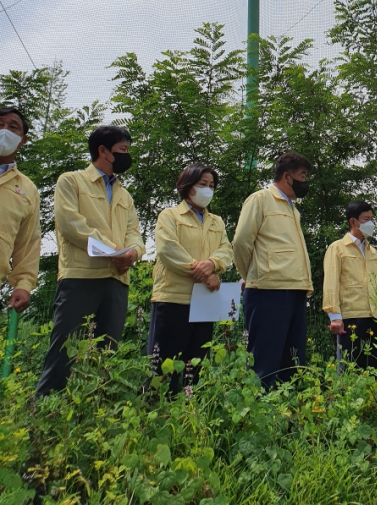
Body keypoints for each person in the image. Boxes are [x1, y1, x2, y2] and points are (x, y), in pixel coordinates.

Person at [36, 125, 145, 396]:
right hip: (80, 277)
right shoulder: (71, 181)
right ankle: (46, 410)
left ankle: (95, 412)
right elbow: (71, 225)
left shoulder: (125, 195)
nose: (126, 156)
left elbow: (135, 233)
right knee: (65, 349)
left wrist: (133, 253)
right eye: (122, 150)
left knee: (107, 351)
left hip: (117, 280)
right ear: (103, 151)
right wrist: (115, 250)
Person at [148, 163, 233, 392]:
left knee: (196, 362)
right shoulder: (170, 216)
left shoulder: (217, 221)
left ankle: (189, 412)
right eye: (202, 184)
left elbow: (226, 250)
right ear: (187, 186)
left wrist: (213, 264)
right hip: (174, 297)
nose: (208, 189)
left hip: (205, 301)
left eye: (212, 185)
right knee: (164, 363)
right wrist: (202, 271)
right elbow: (168, 249)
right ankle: (156, 410)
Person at [233, 152, 313, 389]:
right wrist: (250, 275)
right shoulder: (260, 199)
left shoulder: (293, 209)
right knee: (264, 361)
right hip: (268, 291)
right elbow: (240, 243)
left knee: (293, 361)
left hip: (296, 290)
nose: (305, 181)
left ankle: (286, 418)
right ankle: (261, 416)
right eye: (302, 176)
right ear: (288, 178)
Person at [323, 200, 377, 368]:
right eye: (366, 219)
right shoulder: (338, 248)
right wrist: (335, 316)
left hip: (373, 317)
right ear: (353, 222)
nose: (371, 223)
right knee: (349, 365)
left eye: (372, 219)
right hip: (350, 317)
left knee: (374, 367)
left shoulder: (374, 252)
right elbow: (331, 282)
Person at [0, 106, 40, 314]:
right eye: (0, 125)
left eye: (12, 127)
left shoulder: (27, 190)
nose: (4, 130)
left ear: (22, 140)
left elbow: (28, 244)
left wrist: (23, 284)